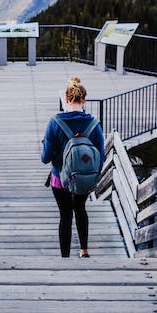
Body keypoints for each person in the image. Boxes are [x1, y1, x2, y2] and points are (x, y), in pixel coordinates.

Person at [41, 77, 105, 257]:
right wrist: (94, 177)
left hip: (59, 179)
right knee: (80, 209)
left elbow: (45, 158)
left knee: (65, 215)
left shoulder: (54, 122)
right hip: (84, 179)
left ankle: (65, 257)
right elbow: (101, 156)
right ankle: (84, 250)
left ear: (66, 100)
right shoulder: (94, 125)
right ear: (84, 101)